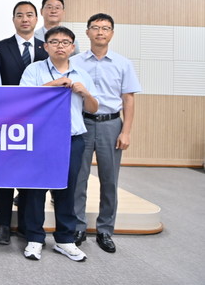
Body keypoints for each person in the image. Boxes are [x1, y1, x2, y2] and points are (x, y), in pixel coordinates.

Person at [20, 26, 98, 262]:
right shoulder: (34, 70)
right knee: (36, 190)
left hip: (72, 140)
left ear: (72, 47)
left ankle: (65, 240)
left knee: (67, 189)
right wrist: (52, 85)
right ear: (45, 46)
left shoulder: (82, 74)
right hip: (40, 139)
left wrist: (85, 93)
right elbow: (23, 100)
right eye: (54, 42)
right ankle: (35, 238)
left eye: (65, 42)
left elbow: (93, 108)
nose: (60, 46)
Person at [73, 13, 141, 253]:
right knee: (78, 178)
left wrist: (126, 131)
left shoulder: (123, 63)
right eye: (95, 27)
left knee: (109, 179)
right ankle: (78, 226)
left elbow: (128, 99)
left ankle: (105, 230)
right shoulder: (75, 62)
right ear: (87, 32)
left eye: (105, 28)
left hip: (111, 124)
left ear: (112, 33)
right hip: (82, 123)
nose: (100, 32)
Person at [0, 1, 48, 244]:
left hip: (39, 122)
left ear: (36, 19)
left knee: (30, 174)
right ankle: (3, 224)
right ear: (13, 19)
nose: (25, 19)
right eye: (20, 15)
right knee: (5, 173)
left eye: (29, 15)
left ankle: (26, 223)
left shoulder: (46, 48)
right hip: (9, 120)